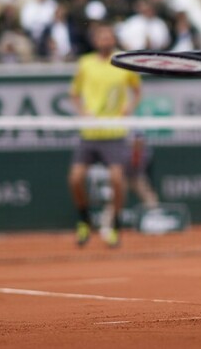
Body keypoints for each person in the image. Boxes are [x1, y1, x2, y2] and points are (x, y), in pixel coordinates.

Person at [68, 23, 141, 248]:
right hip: (90, 133)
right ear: (95, 41)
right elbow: (74, 95)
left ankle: (115, 224)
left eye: (108, 36)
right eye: (101, 37)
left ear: (113, 39)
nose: (105, 40)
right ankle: (84, 219)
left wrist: (129, 106)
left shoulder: (123, 62)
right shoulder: (85, 63)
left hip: (115, 132)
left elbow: (137, 91)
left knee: (117, 179)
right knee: (75, 178)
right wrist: (83, 112)